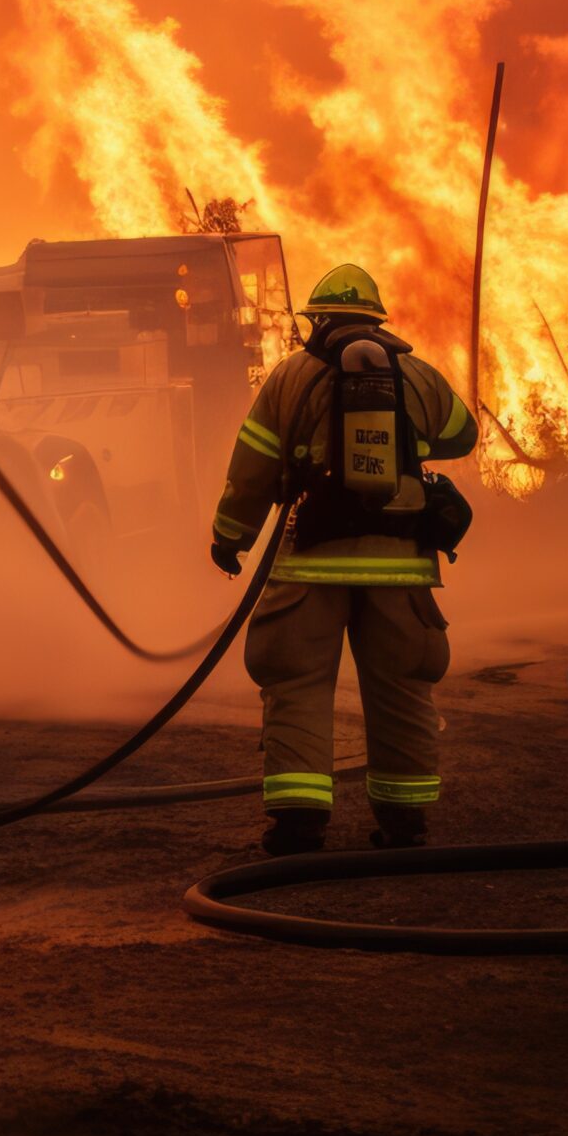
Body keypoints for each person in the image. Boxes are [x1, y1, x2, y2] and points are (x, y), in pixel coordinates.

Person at [208, 262, 479, 855]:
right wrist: (411, 442)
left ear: (318, 320)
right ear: (377, 321)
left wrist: (231, 537)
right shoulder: (417, 374)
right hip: (401, 564)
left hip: (311, 564)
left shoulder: (291, 376)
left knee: (297, 683)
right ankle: (405, 824)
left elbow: (252, 471)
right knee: (402, 688)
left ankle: (299, 824)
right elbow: (463, 435)